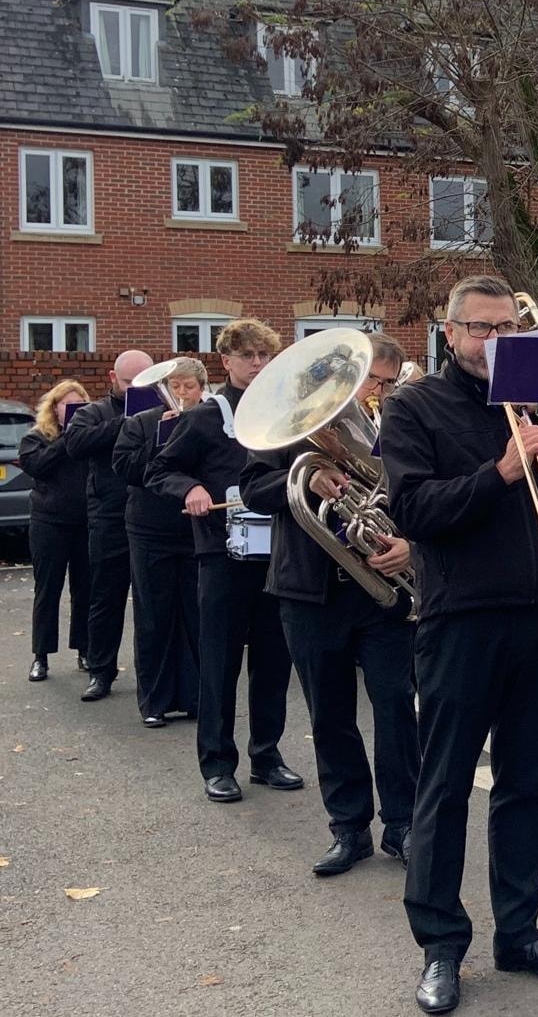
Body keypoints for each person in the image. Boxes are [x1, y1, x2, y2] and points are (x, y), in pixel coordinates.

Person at [381, 276, 538, 1014]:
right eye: (481, 328)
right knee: (443, 786)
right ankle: (441, 945)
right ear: (449, 333)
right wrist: (502, 470)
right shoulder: (413, 407)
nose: (495, 341)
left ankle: (521, 932)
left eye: (508, 327)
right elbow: (416, 508)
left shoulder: (533, 395)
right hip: (460, 620)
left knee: (525, 782)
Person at [240, 332, 420, 877]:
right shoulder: (291, 423)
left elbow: (419, 495)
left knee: (395, 708)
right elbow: (252, 488)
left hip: (383, 594)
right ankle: (348, 828)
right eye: (371, 381)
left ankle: (404, 824)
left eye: (387, 383)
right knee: (330, 714)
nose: (378, 393)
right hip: (310, 590)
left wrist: (410, 543)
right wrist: (310, 477)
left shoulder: (403, 423)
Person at [149, 319, 302, 804]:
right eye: (248, 357)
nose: (257, 365)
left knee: (274, 663)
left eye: (264, 357)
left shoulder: (286, 415)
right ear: (227, 361)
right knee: (219, 663)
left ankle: (267, 755)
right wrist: (190, 488)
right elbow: (160, 470)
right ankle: (217, 762)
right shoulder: (204, 418)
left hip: (278, 555)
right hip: (222, 557)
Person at [111, 357, 205, 727]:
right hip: (150, 529)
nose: (181, 394)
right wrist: (159, 441)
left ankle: (197, 696)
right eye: (175, 387)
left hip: (195, 529)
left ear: (201, 389)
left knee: (197, 615)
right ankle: (154, 701)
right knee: (153, 614)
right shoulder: (140, 423)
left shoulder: (209, 423)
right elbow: (125, 469)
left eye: (189, 387)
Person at [63, 349, 154, 701]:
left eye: (144, 383)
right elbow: (75, 443)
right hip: (109, 516)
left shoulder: (165, 409)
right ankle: (101, 671)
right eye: (131, 382)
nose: (137, 389)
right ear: (113, 379)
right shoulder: (93, 412)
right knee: (105, 597)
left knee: (152, 602)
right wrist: (130, 421)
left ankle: (154, 679)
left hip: (149, 516)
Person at [19, 380, 91, 683]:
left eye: (79, 406)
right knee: (48, 590)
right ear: (54, 408)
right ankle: (41, 655)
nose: (72, 412)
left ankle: (85, 649)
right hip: (49, 523)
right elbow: (39, 466)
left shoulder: (87, 439)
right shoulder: (37, 438)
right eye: (67, 406)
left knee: (85, 589)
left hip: (85, 522)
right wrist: (66, 440)